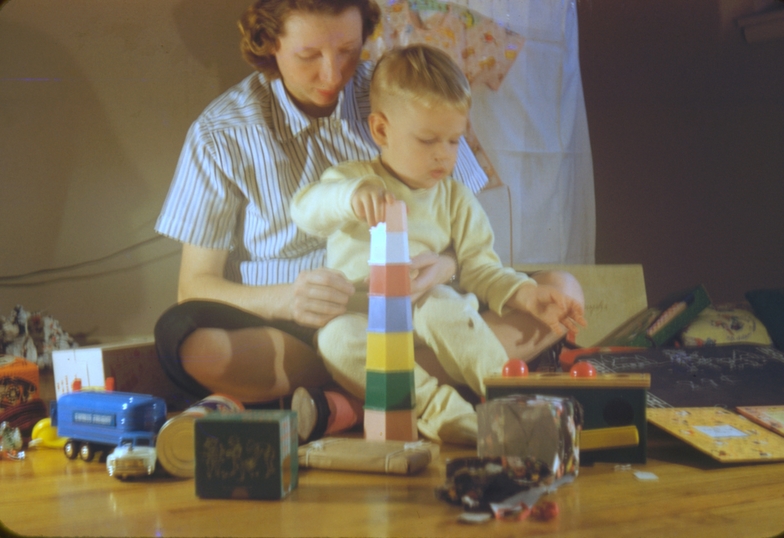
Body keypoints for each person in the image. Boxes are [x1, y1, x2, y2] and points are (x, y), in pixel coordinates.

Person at [153, 0, 583, 427]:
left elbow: (463, 226)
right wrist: (285, 299)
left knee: (563, 291)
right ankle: (398, 382)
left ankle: (353, 396)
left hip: (425, 309)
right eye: (309, 56)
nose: (332, 74)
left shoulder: (401, 92)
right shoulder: (219, 135)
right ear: (269, 43)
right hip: (293, 333)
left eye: (348, 51)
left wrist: (444, 266)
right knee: (196, 348)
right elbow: (195, 287)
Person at [290, 44, 586, 445]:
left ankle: (511, 404)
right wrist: (351, 195)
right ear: (381, 130)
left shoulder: (456, 198)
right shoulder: (352, 179)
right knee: (334, 340)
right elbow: (305, 209)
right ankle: (444, 415)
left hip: (428, 314)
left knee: (445, 308)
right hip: (365, 321)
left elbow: (482, 269)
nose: (443, 157)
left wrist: (526, 294)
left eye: (453, 141)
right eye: (428, 140)